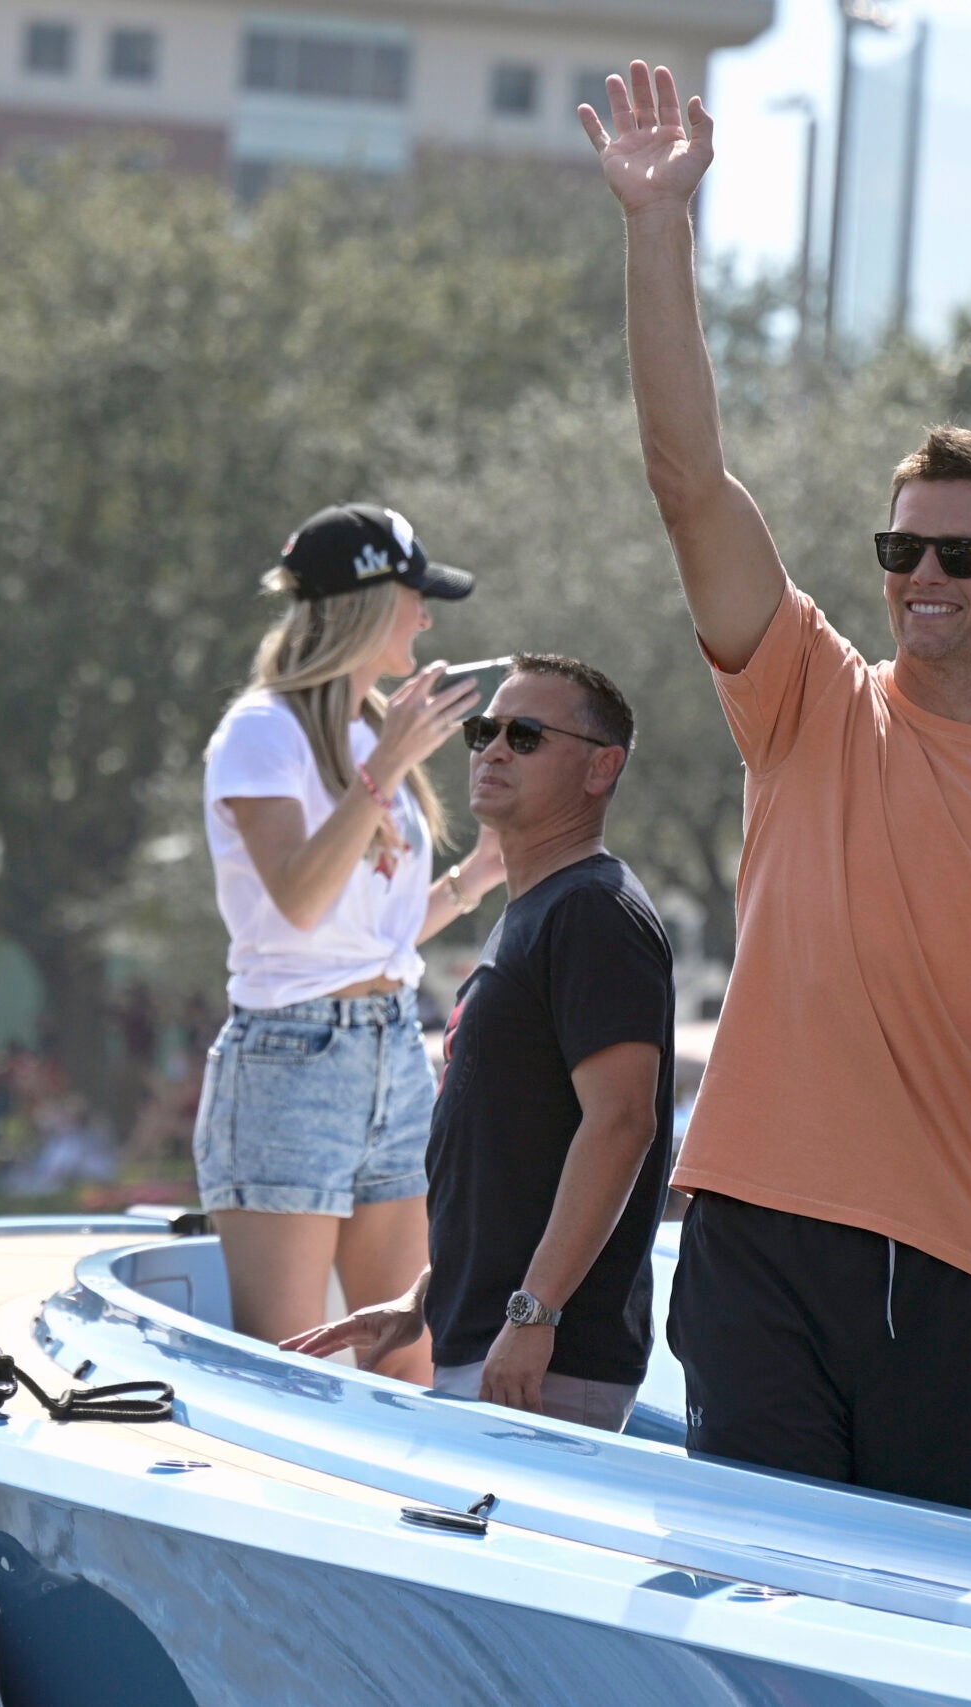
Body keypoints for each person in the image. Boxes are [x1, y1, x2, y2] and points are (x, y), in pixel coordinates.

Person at [582, 62, 971, 1512]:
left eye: (957, 555)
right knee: (763, 1610)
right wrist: (655, 228)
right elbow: (689, 481)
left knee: (923, 1631)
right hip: (759, 1242)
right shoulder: (805, 692)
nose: (919, 578)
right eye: (900, 549)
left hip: (966, 1283)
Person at [284, 657, 674, 1430]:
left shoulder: (594, 914)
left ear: (603, 767)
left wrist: (535, 1316)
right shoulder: (535, 911)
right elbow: (516, 1156)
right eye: (481, 730)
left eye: (525, 735)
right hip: (500, 1343)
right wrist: (424, 1300)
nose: (493, 749)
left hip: (544, 1361)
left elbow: (621, 1124)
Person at [194, 502, 504, 1384]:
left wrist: (474, 879)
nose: (428, 618)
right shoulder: (262, 732)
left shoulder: (372, 734)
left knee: (409, 1361)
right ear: (370, 602)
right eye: (416, 597)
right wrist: (385, 771)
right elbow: (297, 901)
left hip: (392, 1048)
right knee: (289, 1371)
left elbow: (372, 936)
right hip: (289, 1060)